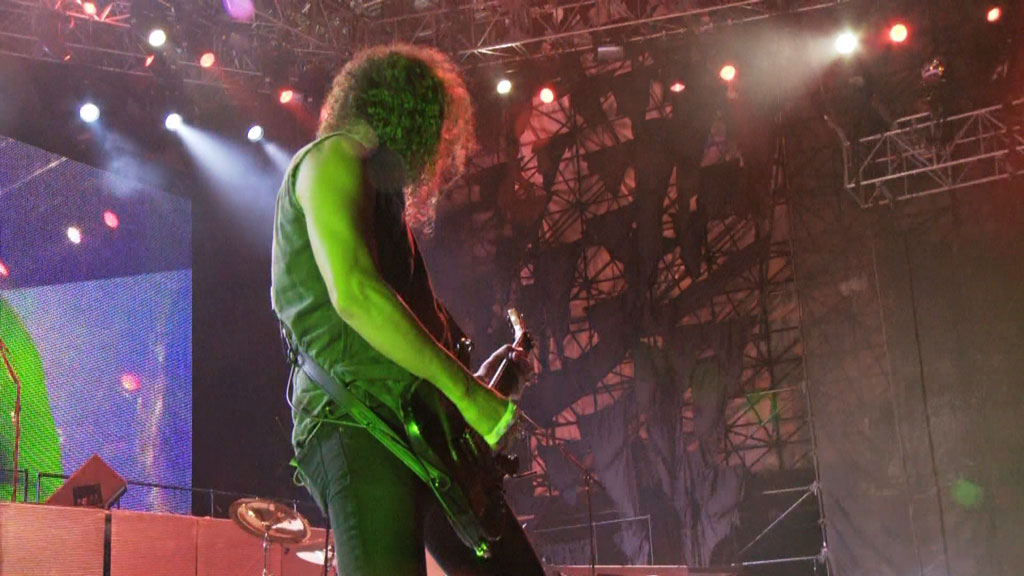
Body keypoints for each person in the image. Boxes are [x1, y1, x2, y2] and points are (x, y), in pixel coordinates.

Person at [270, 44, 546, 576]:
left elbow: (406, 338)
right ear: (408, 113)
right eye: (437, 127)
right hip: (358, 423)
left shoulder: (383, 205)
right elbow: (355, 294)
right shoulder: (332, 157)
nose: (439, 147)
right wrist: (469, 397)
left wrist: (479, 384)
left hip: (419, 430)